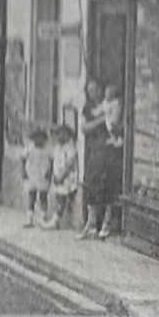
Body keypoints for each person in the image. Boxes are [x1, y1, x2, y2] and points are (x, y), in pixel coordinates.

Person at [81, 79, 124, 239]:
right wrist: (101, 120)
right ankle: (91, 224)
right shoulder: (89, 108)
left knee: (108, 186)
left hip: (109, 150)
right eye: (90, 91)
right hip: (95, 150)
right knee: (93, 185)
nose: (94, 94)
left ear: (102, 89)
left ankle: (106, 223)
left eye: (96, 90)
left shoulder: (113, 104)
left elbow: (118, 123)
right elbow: (84, 128)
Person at [21, 127, 54, 228]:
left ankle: (43, 216)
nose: (38, 141)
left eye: (40, 138)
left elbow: (52, 161)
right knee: (32, 196)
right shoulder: (30, 148)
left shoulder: (48, 149)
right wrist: (23, 171)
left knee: (43, 196)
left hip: (43, 174)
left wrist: (50, 172)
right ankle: (29, 217)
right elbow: (23, 159)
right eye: (35, 138)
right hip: (32, 174)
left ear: (44, 139)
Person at [48, 123, 80, 230]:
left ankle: (55, 220)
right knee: (59, 198)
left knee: (62, 199)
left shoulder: (70, 147)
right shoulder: (58, 147)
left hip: (66, 178)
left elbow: (70, 164)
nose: (59, 137)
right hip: (58, 177)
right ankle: (58, 220)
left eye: (62, 134)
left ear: (68, 135)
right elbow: (54, 161)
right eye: (57, 134)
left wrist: (62, 176)